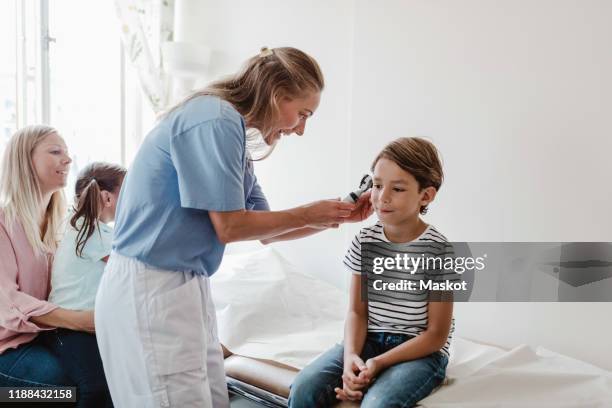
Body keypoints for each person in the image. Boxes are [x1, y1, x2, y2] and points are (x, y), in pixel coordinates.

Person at [95, 46, 372, 408]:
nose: (300, 129)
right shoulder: (215, 118)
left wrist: (336, 215)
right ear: (277, 96)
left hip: (185, 288)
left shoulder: (234, 139)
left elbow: (265, 231)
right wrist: (308, 212)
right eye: (302, 114)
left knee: (209, 399)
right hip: (151, 286)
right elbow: (229, 226)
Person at [289, 137, 454, 408]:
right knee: (304, 389)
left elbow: (436, 334)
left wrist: (377, 364)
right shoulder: (364, 242)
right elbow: (357, 312)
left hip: (420, 351)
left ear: (426, 195)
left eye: (398, 189)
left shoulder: (440, 251)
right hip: (370, 341)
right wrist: (351, 359)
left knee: (378, 404)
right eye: (377, 185)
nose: (382, 197)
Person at [0, 125, 94, 391]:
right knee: (62, 387)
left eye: (67, 152)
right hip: (7, 346)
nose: (68, 159)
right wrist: (81, 321)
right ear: (25, 162)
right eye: (55, 152)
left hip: (47, 336)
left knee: (102, 371)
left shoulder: (64, 226)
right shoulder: (2, 223)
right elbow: (7, 302)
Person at [45, 162, 126, 408]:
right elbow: (131, 266)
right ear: (107, 198)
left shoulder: (81, 225)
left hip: (84, 326)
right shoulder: (90, 231)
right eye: (129, 192)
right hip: (69, 329)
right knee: (96, 387)